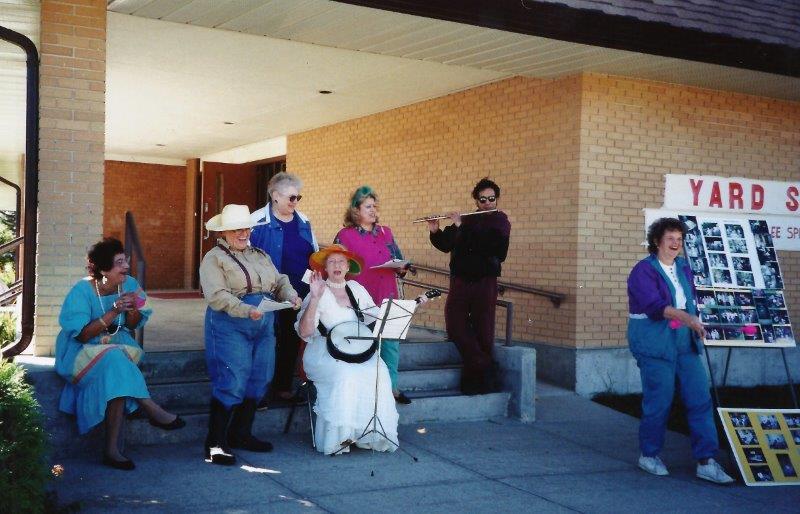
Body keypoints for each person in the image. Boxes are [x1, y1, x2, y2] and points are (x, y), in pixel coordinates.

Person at [55, 237, 185, 471]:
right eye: (119, 263)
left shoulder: (130, 284)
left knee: (116, 369)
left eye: (125, 261)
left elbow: (135, 324)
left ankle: (112, 451)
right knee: (116, 359)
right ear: (104, 269)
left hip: (116, 346)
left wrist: (132, 309)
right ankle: (151, 408)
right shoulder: (81, 291)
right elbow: (83, 335)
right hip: (80, 352)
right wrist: (114, 311)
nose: (126, 266)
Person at [627, 217, 734, 484]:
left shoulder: (684, 267)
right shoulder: (643, 271)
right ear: (656, 241)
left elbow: (697, 298)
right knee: (659, 401)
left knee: (699, 398)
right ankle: (648, 455)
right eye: (670, 239)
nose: (676, 244)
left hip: (685, 342)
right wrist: (689, 319)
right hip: (655, 343)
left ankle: (706, 461)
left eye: (679, 239)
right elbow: (655, 307)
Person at [200, 204, 301, 465]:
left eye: (246, 228)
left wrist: (290, 295)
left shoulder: (260, 254)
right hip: (230, 323)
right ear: (223, 232)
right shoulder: (214, 258)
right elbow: (217, 296)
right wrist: (245, 309)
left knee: (260, 377)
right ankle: (215, 443)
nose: (244, 233)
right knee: (231, 379)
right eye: (237, 229)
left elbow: (279, 281)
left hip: (263, 322)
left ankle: (241, 433)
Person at [296, 245, 399, 455]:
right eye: (332, 261)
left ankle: (368, 434)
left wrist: (400, 313)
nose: (337, 265)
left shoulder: (356, 288)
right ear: (325, 266)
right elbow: (305, 332)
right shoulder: (318, 291)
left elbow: (376, 315)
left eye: (341, 261)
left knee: (380, 371)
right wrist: (314, 298)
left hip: (356, 351)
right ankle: (341, 437)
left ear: (347, 266)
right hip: (324, 352)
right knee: (346, 374)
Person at [426, 177, 511, 395]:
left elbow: (496, 249)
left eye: (491, 199)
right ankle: (486, 366)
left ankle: (478, 383)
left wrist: (461, 226)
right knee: (454, 324)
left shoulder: (500, 221)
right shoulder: (468, 219)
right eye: (483, 200)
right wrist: (435, 230)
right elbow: (446, 244)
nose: (487, 203)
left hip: (485, 280)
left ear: (496, 199)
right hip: (461, 280)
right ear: (477, 200)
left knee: (483, 328)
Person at [334, 185, 411, 404]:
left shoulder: (386, 232)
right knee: (366, 346)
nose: (373, 210)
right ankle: (368, 393)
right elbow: (336, 266)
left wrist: (402, 267)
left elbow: (399, 259)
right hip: (362, 299)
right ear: (356, 210)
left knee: (391, 346)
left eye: (375, 206)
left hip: (390, 295)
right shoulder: (344, 235)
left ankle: (392, 389)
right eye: (368, 206)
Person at [250, 172, 319, 405]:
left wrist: (310, 283)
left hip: (298, 291)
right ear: (275, 196)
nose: (295, 202)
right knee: (264, 339)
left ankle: (281, 386)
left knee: (291, 338)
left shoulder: (303, 221)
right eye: (291, 198)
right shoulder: (256, 221)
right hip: (266, 292)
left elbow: (314, 255)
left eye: (298, 197)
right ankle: (257, 392)